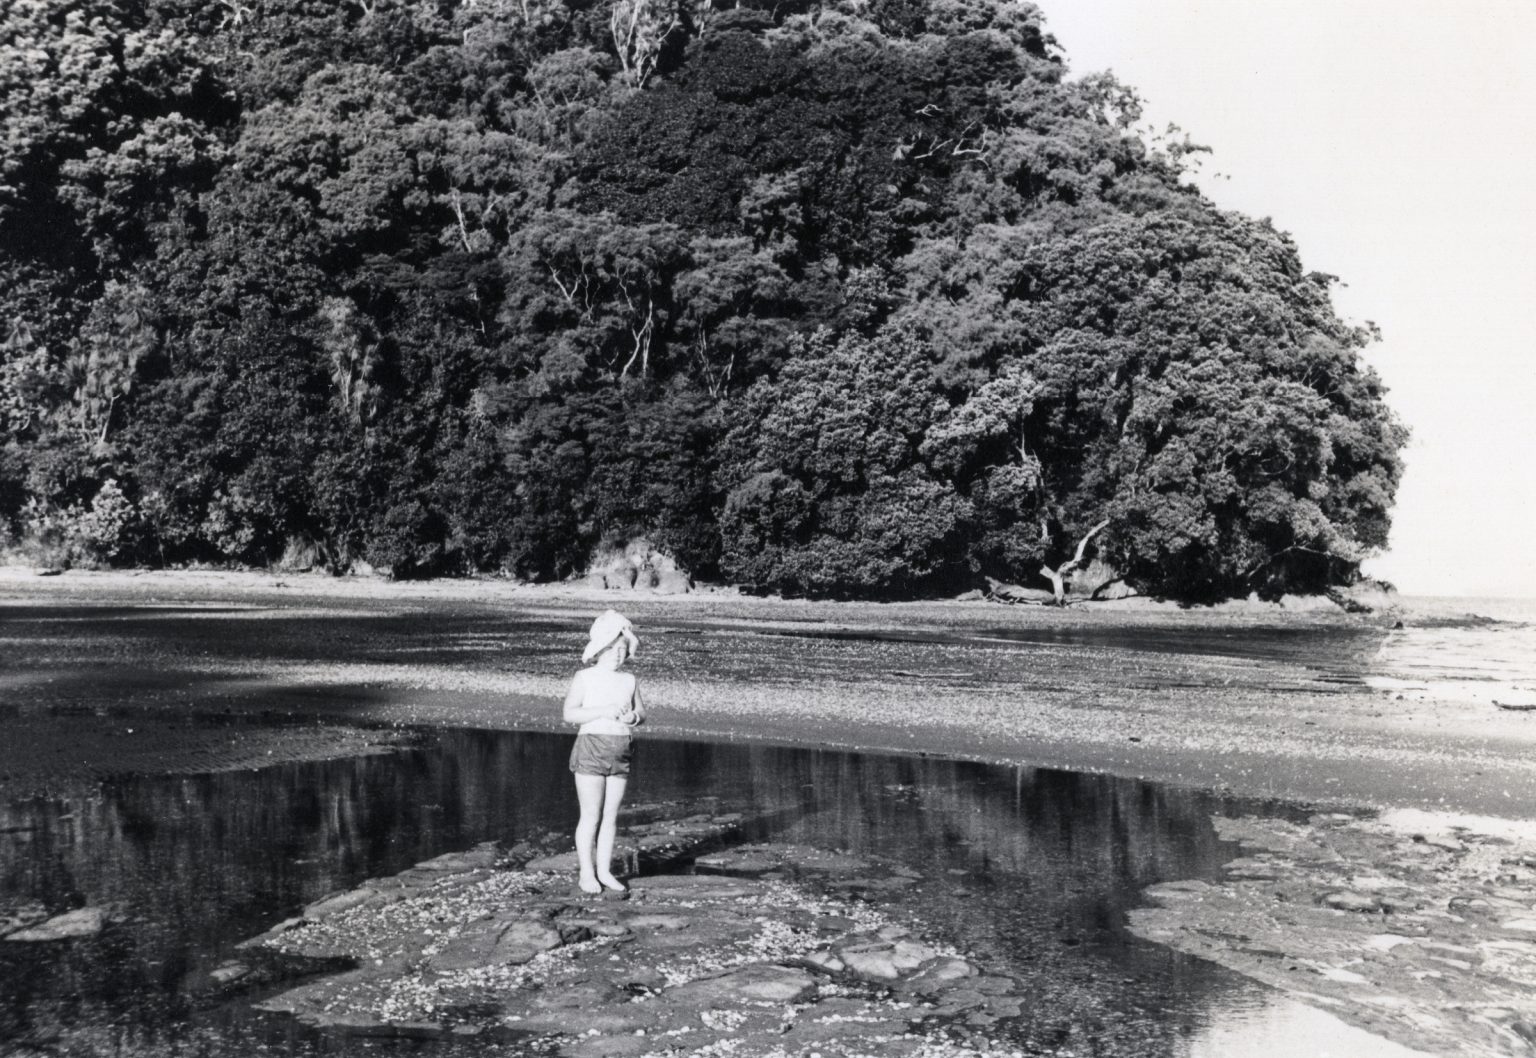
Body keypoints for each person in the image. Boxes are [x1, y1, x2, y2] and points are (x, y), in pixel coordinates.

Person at [563, 609, 645, 896]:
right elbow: (569, 713)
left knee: (611, 816)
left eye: (622, 649)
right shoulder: (585, 676)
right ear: (600, 650)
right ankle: (587, 874)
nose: (618, 654)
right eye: (612, 649)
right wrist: (605, 711)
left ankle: (605, 871)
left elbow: (642, 713)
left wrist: (631, 718)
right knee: (591, 816)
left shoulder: (629, 680)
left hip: (621, 749)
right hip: (591, 748)